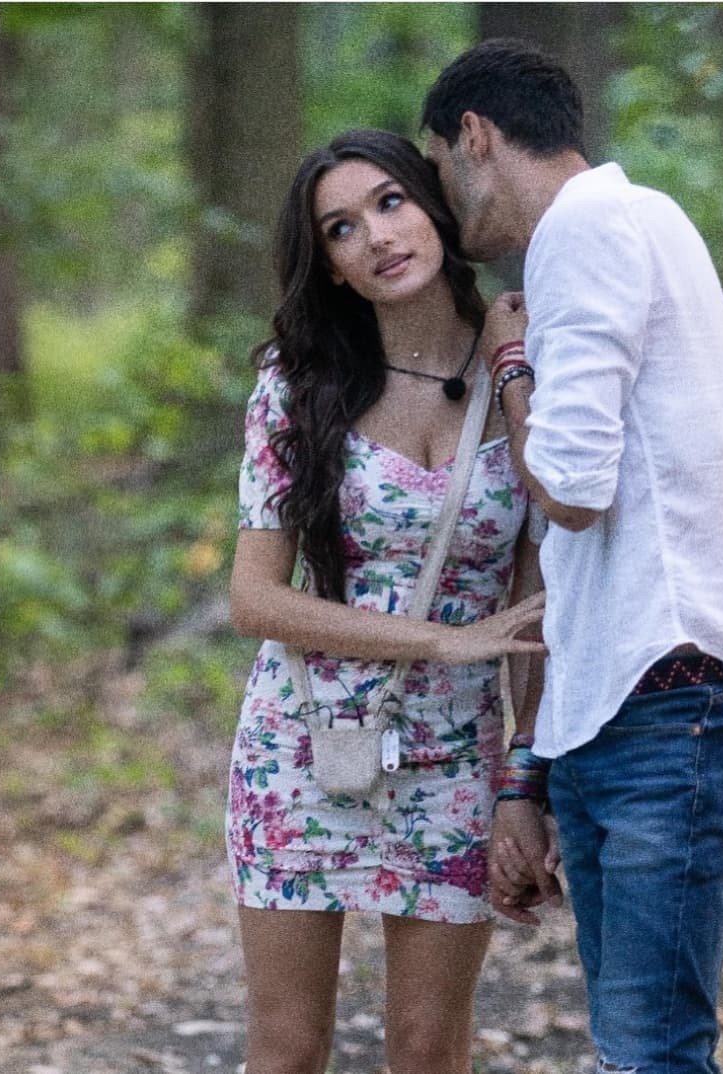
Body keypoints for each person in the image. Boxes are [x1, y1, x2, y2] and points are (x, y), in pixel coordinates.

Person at [423, 39, 723, 1074]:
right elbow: (579, 559)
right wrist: (533, 774)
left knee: (651, 1053)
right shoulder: (639, 221)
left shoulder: (581, 231)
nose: (442, 205)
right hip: (636, 701)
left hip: (669, 699)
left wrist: (510, 364)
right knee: (640, 1050)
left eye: (439, 170)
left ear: (475, 137)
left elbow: (570, 492)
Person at [226, 128, 547, 1074]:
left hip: (455, 758)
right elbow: (254, 598)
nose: (376, 236)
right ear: (330, 265)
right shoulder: (297, 386)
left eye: (390, 202)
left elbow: (537, 606)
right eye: (341, 228)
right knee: (288, 1050)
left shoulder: (526, 361)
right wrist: (434, 640)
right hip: (303, 744)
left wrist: (523, 782)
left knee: (428, 1048)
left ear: (432, 205)